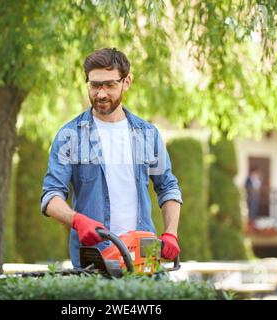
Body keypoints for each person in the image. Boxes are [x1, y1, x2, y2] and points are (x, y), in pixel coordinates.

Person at [40, 48, 183, 268]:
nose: (101, 93)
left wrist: (171, 233)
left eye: (110, 85)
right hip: (94, 262)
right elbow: (51, 197)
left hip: (145, 259)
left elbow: (168, 188)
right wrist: (78, 221)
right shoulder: (69, 136)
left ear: (126, 82)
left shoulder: (147, 134)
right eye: (95, 85)